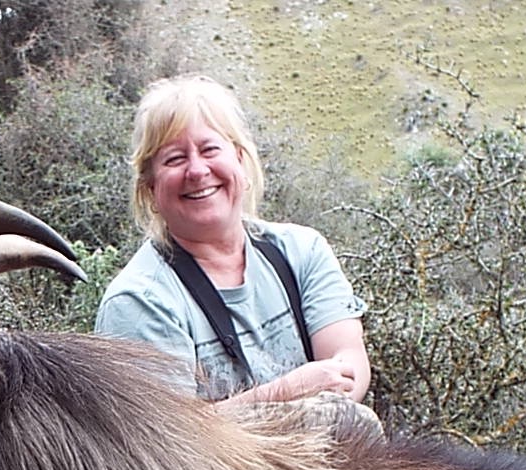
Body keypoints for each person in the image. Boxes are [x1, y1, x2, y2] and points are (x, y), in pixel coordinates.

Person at [94, 75, 373, 417]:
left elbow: (348, 361)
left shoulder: (302, 250)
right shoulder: (139, 302)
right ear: (150, 189)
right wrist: (285, 394)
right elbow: (167, 443)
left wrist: (335, 385)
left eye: (210, 149)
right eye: (174, 159)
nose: (197, 171)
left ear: (240, 160)